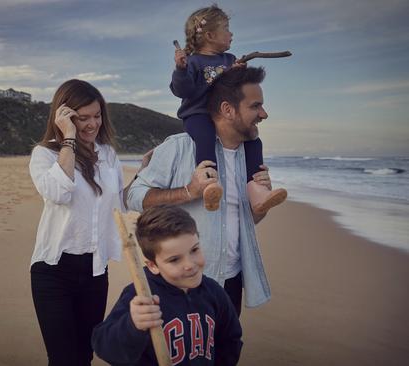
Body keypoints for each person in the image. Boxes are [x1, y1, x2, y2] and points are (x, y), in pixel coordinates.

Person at [128, 66, 277, 316]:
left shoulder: (250, 158)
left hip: (230, 281)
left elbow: (246, 222)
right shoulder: (179, 148)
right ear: (228, 110)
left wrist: (260, 206)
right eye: (255, 106)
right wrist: (190, 190)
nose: (264, 113)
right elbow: (132, 196)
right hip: (181, 282)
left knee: (224, 353)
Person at [29, 79, 147, 366]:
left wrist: (145, 173)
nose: (92, 124)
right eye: (82, 118)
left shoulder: (107, 155)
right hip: (53, 272)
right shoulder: (45, 155)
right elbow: (59, 191)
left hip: (95, 271)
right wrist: (68, 137)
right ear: (64, 116)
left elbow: (120, 201)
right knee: (63, 359)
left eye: (97, 115)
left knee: (84, 355)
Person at [92, 205, 242, 365]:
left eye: (194, 250)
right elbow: (104, 346)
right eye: (175, 259)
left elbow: (230, 339)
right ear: (152, 265)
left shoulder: (213, 291)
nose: (190, 265)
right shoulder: (141, 296)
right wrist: (132, 325)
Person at [171, 4, 286, 213]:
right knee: (205, 138)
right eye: (227, 28)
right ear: (210, 35)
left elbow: (237, 92)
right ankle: (209, 185)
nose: (231, 34)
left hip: (223, 115)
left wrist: (238, 73)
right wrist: (180, 69)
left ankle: (257, 191)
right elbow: (183, 90)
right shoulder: (193, 62)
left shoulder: (230, 59)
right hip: (198, 114)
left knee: (254, 141)